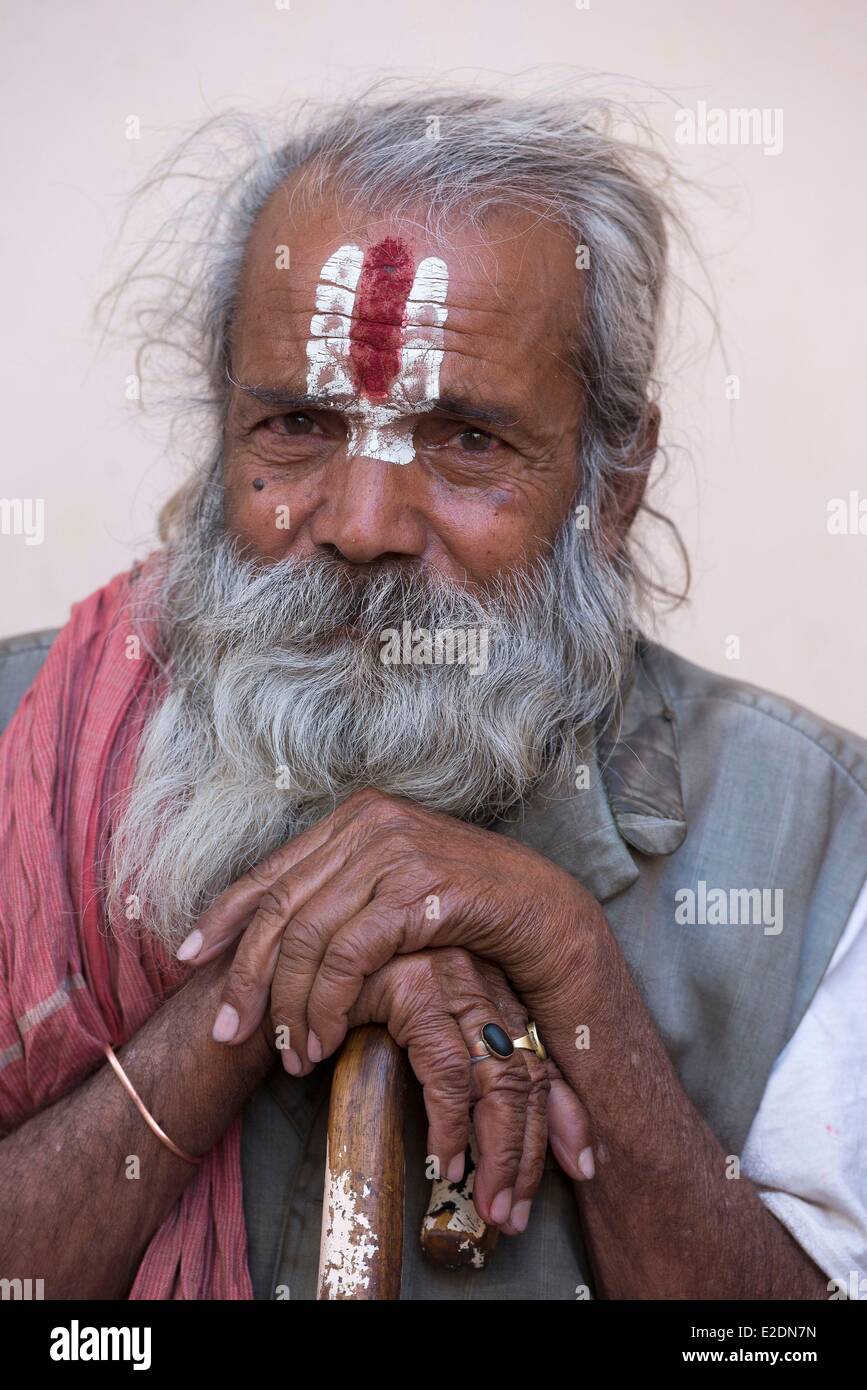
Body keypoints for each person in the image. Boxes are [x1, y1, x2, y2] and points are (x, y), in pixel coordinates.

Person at [1, 91, 864, 1301]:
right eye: (297, 426)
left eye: (464, 441)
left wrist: (566, 956)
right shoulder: (24, 747)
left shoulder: (819, 840)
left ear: (610, 486)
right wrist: (248, 983)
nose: (361, 528)